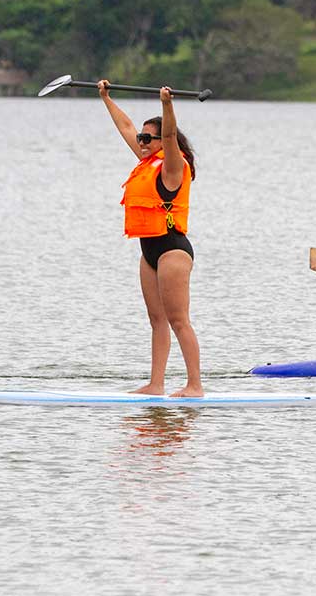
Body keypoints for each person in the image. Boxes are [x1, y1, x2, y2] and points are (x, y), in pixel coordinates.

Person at [99, 81, 203, 397]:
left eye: (147, 139)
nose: (141, 142)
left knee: (178, 320)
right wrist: (106, 98)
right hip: (149, 251)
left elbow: (170, 136)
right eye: (141, 138)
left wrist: (167, 105)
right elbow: (126, 126)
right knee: (156, 320)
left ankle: (195, 385)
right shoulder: (147, 160)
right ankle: (156, 384)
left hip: (172, 249)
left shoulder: (173, 166)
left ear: (161, 142)